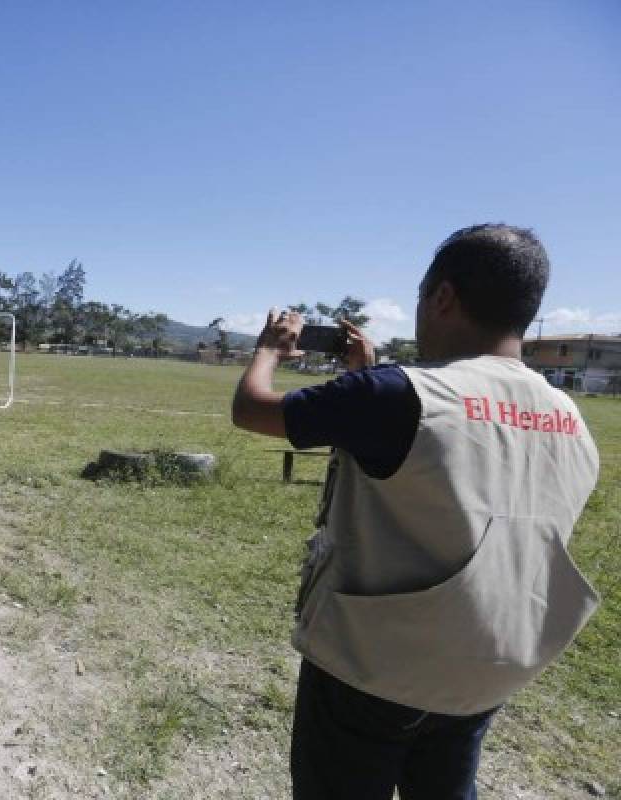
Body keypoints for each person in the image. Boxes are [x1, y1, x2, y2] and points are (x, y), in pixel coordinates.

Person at [231, 224, 600, 800]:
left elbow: (253, 409)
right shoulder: (570, 417)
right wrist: (365, 378)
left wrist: (268, 351)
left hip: (379, 662)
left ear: (444, 297)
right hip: (495, 659)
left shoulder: (399, 392)